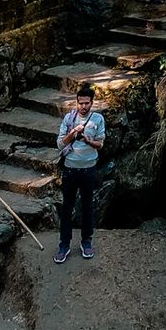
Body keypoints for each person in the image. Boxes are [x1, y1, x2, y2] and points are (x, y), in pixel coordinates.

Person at [55, 83, 105, 264]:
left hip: (88, 169)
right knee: (67, 207)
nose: (83, 106)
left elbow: (100, 144)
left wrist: (87, 140)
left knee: (87, 206)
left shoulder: (98, 119)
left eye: (87, 103)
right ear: (76, 103)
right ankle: (64, 245)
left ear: (92, 103)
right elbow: (60, 144)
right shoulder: (69, 119)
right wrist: (73, 133)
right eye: (80, 103)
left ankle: (86, 241)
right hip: (69, 169)